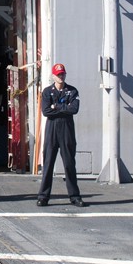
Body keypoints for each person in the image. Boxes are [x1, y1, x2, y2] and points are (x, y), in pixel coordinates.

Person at [37, 63, 87, 208]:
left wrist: (57, 106)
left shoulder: (72, 91)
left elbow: (74, 109)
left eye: (63, 74)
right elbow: (46, 111)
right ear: (53, 76)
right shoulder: (47, 92)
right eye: (58, 74)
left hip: (67, 129)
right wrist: (63, 108)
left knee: (69, 164)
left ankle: (74, 196)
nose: (61, 76)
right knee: (48, 164)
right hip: (52, 129)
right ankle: (43, 196)